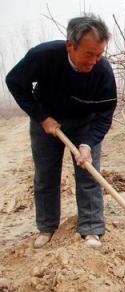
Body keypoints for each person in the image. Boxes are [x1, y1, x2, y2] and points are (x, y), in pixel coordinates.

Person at [5, 14, 117, 249]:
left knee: (89, 176)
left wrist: (88, 143)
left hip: (85, 124)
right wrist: (42, 118)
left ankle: (91, 229)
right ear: (70, 45)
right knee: (45, 176)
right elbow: (15, 82)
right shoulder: (43, 56)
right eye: (88, 54)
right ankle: (47, 227)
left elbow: (105, 114)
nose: (94, 60)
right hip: (47, 122)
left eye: (99, 54)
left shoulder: (103, 72)